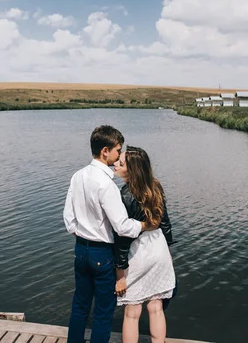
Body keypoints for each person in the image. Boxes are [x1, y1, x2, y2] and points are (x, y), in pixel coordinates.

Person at [63, 126, 154, 343]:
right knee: (103, 312)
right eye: (117, 150)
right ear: (105, 151)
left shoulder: (78, 176)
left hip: (80, 250)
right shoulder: (107, 185)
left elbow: (68, 219)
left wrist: (83, 234)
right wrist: (144, 225)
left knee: (80, 305)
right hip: (102, 254)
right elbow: (122, 226)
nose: (118, 156)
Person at [113, 146, 176, 343]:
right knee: (156, 308)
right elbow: (165, 223)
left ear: (131, 171)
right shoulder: (155, 187)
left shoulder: (124, 195)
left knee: (132, 312)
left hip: (138, 253)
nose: (115, 163)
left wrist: (120, 274)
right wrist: (168, 252)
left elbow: (123, 239)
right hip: (158, 248)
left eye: (120, 163)